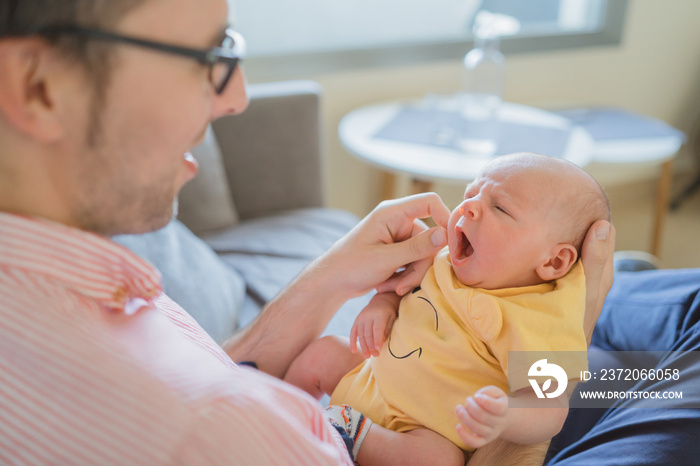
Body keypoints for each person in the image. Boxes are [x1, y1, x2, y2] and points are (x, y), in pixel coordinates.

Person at [0, 0, 614, 464]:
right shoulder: (227, 430)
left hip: (496, 358)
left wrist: (327, 279)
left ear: (555, 261)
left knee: (637, 319)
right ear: (39, 86)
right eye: (207, 60)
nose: (238, 97)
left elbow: (215, 366)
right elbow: (546, 401)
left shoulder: (65, 279)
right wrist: (576, 324)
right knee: (660, 371)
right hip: (460, 410)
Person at [284, 153, 611, 464]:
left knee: (440, 461)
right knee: (321, 354)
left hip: (421, 431)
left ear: (554, 260)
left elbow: (551, 407)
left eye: (500, 208)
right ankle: (276, 412)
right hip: (368, 377)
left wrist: (508, 415)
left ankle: (343, 427)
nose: (469, 207)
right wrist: (381, 305)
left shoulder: (544, 318)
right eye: (471, 193)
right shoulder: (441, 258)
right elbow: (400, 288)